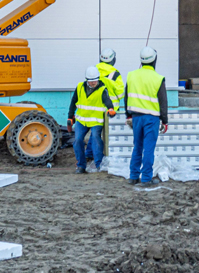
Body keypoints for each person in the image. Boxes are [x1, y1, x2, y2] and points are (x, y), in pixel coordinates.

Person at [125, 46, 169, 185]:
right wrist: (165, 120)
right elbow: (163, 101)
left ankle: (133, 177)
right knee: (148, 149)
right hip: (151, 118)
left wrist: (128, 115)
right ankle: (146, 179)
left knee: (137, 147)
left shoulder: (131, 75)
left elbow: (126, 97)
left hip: (136, 117)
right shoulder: (158, 78)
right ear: (154, 60)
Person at [67, 65, 116, 174]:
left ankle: (99, 165)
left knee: (95, 139)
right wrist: (70, 117)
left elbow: (107, 101)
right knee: (78, 140)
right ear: (86, 80)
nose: (93, 83)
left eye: (95, 81)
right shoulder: (80, 87)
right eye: (91, 81)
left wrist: (111, 108)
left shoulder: (102, 89)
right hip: (81, 120)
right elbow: (73, 102)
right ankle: (81, 166)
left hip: (96, 121)